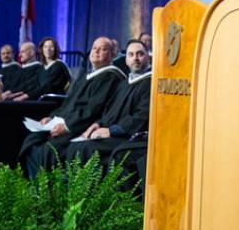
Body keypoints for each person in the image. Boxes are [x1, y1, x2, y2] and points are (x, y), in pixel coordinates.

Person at [19, 36, 125, 178]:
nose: (96, 51)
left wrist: (67, 126)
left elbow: (93, 110)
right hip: (64, 122)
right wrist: (51, 117)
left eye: (103, 49)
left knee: (49, 150)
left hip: (80, 127)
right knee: (31, 140)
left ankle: (50, 194)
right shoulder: (86, 76)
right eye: (94, 48)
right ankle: (34, 189)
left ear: (112, 55)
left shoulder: (110, 77)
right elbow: (68, 103)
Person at [60, 40, 152, 173]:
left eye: (140, 54)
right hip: (113, 134)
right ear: (126, 60)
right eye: (131, 55)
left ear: (148, 57)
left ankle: (87, 193)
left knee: (85, 148)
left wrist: (111, 131)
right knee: (76, 146)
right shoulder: (125, 83)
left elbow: (141, 116)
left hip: (128, 136)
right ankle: (73, 192)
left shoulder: (151, 82)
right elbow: (110, 110)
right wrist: (97, 124)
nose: (135, 58)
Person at [11, 37, 71, 101]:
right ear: (42, 49)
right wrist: (12, 93)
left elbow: (47, 86)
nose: (48, 49)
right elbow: (31, 84)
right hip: (42, 99)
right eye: (45, 47)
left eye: (51, 47)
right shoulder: (42, 68)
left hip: (54, 100)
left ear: (55, 49)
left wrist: (26, 96)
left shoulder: (59, 66)